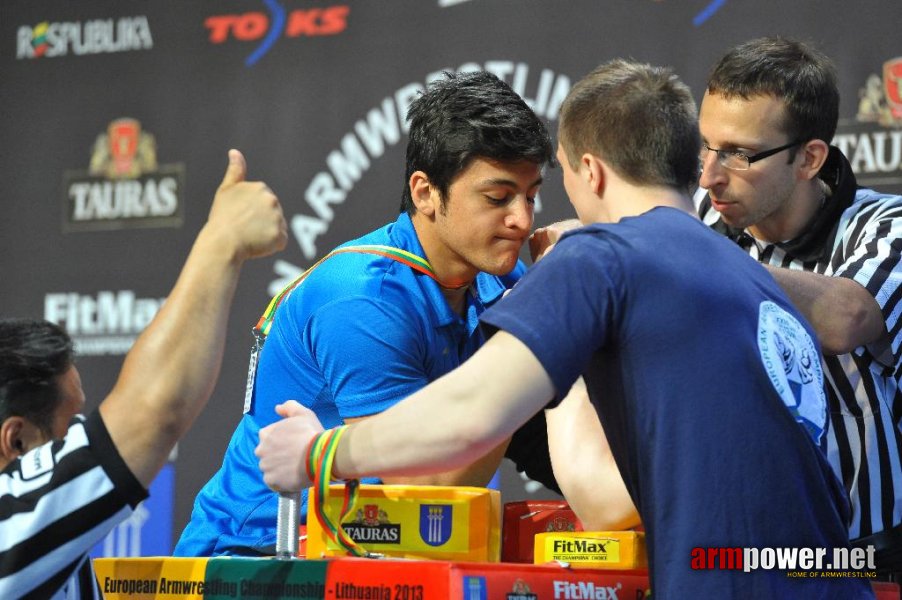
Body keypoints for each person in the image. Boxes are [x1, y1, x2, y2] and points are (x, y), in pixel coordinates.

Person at [256, 60, 872, 598]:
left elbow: (505, 437)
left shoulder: (598, 258)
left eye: (543, 187)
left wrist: (319, 452)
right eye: (500, 197)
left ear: (589, 171)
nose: (526, 221)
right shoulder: (754, 276)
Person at [174, 70, 555, 557]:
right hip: (256, 560)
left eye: (531, 195)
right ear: (424, 193)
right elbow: (426, 497)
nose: (522, 220)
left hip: (362, 553)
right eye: (498, 198)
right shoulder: (361, 298)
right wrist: (531, 340)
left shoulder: (499, 282)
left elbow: (544, 445)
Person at [0, 150, 286, 598]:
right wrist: (223, 240)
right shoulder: (8, 526)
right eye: (69, 424)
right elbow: (156, 411)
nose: (82, 430)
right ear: (16, 441)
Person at [697, 36, 902, 578]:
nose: (710, 175)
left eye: (739, 154)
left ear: (809, 158)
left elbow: (845, 317)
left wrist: (687, 258)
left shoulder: (885, 227)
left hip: (861, 559)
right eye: (706, 146)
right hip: (729, 551)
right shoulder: (696, 219)